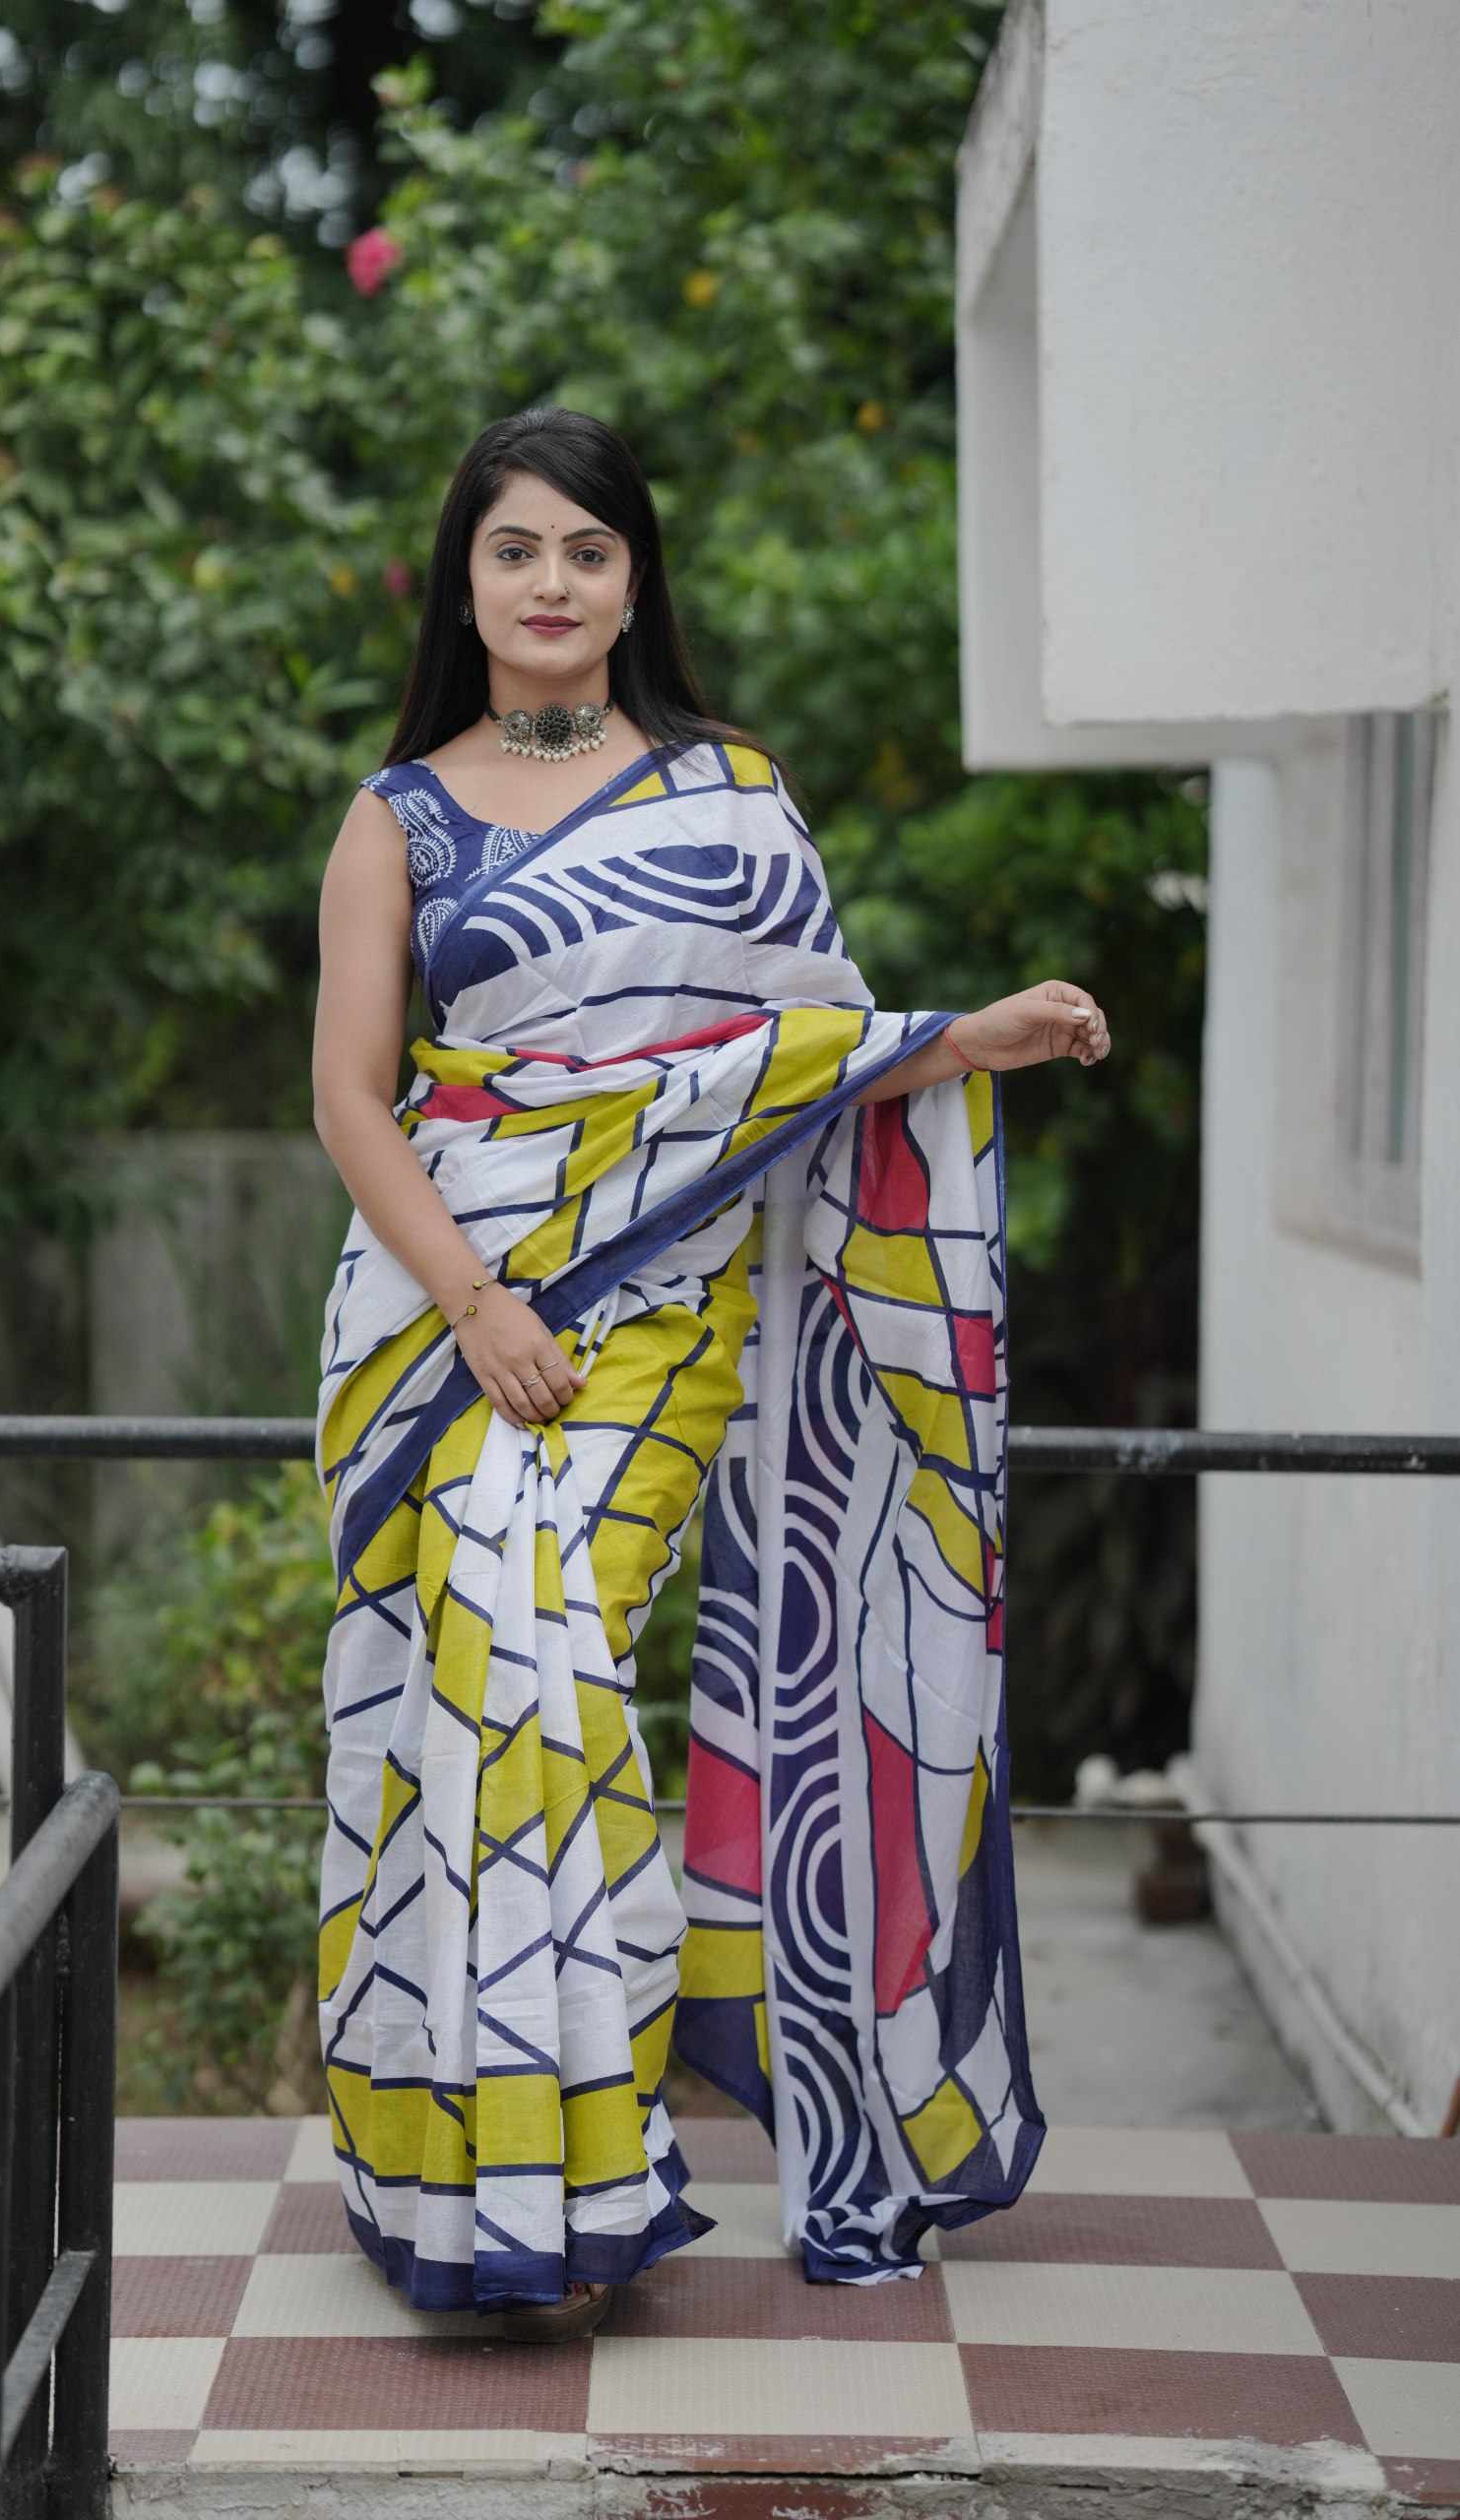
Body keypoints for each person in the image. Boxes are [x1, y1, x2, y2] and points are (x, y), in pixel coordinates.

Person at [310, 406, 1111, 2345]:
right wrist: (479, 1304)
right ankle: (477, 2181)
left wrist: (958, 1039)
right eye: (516, 549)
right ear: (465, 583)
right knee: (467, 1694)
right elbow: (349, 1097)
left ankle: (566, 2165)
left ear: (633, 580)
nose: (552, 582)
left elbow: (795, 1057)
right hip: (442, 1325)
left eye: (587, 550)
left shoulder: (730, 795)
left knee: (539, 1658)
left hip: (659, 1324)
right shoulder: (398, 815)